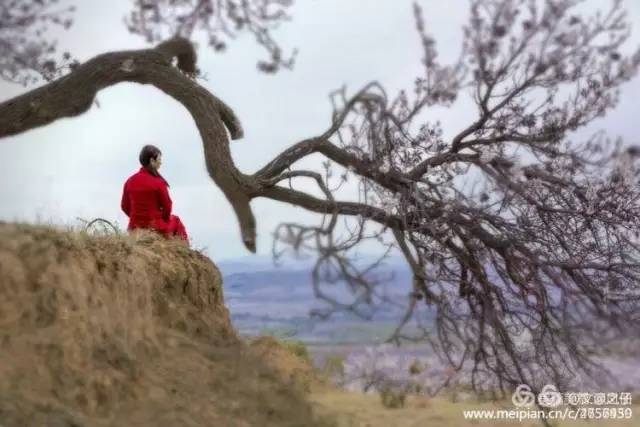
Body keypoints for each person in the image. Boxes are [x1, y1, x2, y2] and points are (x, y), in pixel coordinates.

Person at [121, 145, 189, 243]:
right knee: (176, 221)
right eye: (159, 159)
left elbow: (124, 206)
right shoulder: (159, 183)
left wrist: (137, 218)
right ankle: (185, 253)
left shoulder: (129, 181)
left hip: (134, 230)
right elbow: (168, 206)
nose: (161, 162)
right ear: (152, 161)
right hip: (156, 229)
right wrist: (163, 219)